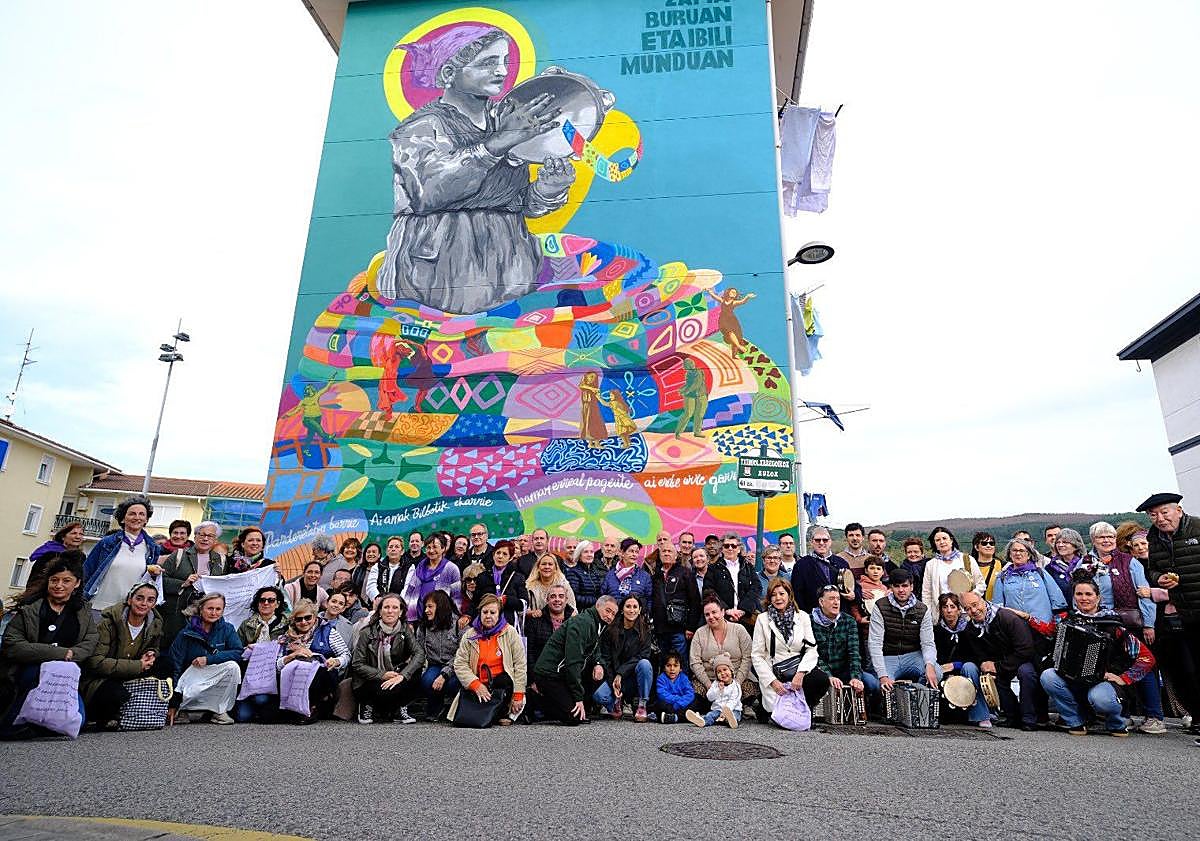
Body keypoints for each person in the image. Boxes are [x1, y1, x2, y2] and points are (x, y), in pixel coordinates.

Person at [1037, 578, 1155, 736]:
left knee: (1100, 698)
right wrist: (1027, 617)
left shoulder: (1113, 625)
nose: (1083, 598)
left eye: (1088, 594)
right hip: (1072, 678)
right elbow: (1047, 631)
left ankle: (1116, 722)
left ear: (1098, 597)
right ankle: (1075, 720)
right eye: (1079, 594)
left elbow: (1147, 658)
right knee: (1048, 676)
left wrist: (1125, 678)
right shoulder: (1066, 619)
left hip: (1103, 681)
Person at [0, 556, 98, 738]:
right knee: (36, 675)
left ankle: (39, 723)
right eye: (54, 580)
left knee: (79, 719)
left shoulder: (82, 611)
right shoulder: (30, 609)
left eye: (66, 581)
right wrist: (61, 654)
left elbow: (91, 640)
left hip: (66, 675)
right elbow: (12, 645)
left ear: (76, 584)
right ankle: (11, 723)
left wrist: (73, 655)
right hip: (30, 668)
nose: (59, 585)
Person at [1137, 491, 1200, 737]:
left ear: (1179, 511)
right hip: (1181, 612)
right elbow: (1152, 570)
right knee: (1187, 667)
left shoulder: (1196, 528)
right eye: (1154, 515)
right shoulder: (1154, 537)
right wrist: (1158, 579)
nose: (1160, 519)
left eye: (1164, 512)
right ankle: (1197, 716)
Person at [82, 581, 163, 728]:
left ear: (154, 604)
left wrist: (151, 654)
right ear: (129, 599)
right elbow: (96, 663)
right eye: (139, 598)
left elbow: (154, 647)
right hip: (100, 678)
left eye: (150, 600)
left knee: (164, 668)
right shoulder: (107, 623)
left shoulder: (155, 623)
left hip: (130, 673)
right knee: (115, 693)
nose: (144, 603)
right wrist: (138, 665)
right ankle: (99, 716)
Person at [960, 591, 1045, 731]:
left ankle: (1029, 718)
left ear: (983, 601)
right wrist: (984, 663)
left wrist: (998, 666)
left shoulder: (1007, 618)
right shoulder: (970, 628)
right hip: (1002, 660)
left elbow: (1026, 649)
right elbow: (978, 653)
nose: (973, 610)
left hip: (1025, 658)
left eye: (975, 605)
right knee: (997, 679)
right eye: (968, 608)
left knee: (1026, 672)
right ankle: (1013, 716)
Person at [530, 595, 618, 725]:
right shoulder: (583, 623)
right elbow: (573, 662)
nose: (610, 616)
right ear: (598, 606)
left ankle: (571, 705)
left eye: (613, 614)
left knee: (598, 674)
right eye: (608, 610)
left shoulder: (597, 623)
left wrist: (598, 663)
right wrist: (578, 698)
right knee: (573, 718)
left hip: (562, 673)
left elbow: (595, 649)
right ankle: (533, 699)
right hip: (549, 674)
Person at [751, 578, 829, 718]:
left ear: (789, 595)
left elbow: (811, 649)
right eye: (773, 595)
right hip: (775, 670)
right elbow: (757, 655)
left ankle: (807, 707)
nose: (778, 598)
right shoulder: (762, 619)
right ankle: (764, 707)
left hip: (798, 666)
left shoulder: (803, 616)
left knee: (820, 680)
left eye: (781, 593)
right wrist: (773, 682)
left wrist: (800, 674)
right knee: (780, 716)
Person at [166, 593, 244, 725]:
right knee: (190, 690)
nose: (214, 613)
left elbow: (237, 652)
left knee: (233, 667)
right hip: (192, 675)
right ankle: (183, 708)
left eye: (218, 609)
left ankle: (219, 711)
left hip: (215, 671)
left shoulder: (227, 629)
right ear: (201, 609)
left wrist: (209, 659)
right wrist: (173, 700)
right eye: (210, 608)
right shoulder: (185, 633)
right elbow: (175, 663)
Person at [449, 594, 527, 726]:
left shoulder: (510, 632)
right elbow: (460, 663)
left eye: (493, 612)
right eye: (485, 612)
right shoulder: (470, 634)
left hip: (501, 685)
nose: (488, 616)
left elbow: (520, 665)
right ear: (479, 613)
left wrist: (518, 694)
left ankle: (503, 711)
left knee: (504, 680)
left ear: (499, 614)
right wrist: (475, 684)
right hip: (477, 682)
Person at [83, 495, 163, 619]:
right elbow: (86, 572)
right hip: (99, 607)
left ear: (146, 519)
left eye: (142, 514)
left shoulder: (152, 548)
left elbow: (146, 581)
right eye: (132, 514)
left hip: (130, 611)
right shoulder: (106, 543)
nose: (137, 517)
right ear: (123, 519)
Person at [350, 593, 422, 724]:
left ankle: (399, 708)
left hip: (394, 675)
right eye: (386, 607)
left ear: (400, 612)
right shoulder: (367, 632)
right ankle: (367, 705)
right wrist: (382, 674)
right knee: (384, 691)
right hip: (370, 679)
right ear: (380, 611)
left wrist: (402, 676)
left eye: (395, 608)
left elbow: (419, 654)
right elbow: (357, 664)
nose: (390, 611)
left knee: (416, 672)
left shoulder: (405, 629)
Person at [275, 599, 350, 723]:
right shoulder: (285, 637)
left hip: (321, 677)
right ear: (293, 620)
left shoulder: (328, 632)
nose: (304, 622)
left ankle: (312, 707)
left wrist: (336, 661)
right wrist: (292, 656)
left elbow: (346, 655)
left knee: (317, 672)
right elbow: (276, 666)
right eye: (299, 619)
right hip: (293, 679)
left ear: (315, 617)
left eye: (307, 618)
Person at [160, 521, 229, 649]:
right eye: (201, 534)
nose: (205, 538)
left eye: (210, 536)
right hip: (178, 615)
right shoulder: (179, 555)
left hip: (207, 617)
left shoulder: (221, 560)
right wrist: (183, 583)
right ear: (195, 536)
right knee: (173, 649)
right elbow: (161, 580)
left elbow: (226, 584)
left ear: (215, 540)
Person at [868, 569, 940, 691]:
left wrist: (929, 665)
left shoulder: (922, 609)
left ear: (911, 587)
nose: (901, 590)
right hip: (888, 656)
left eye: (905, 586)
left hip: (913, 655)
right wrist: (883, 675)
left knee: (936, 673)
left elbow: (927, 643)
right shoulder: (880, 606)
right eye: (897, 586)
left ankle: (918, 698)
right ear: (891, 587)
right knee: (884, 687)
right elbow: (875, 643)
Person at [810, 584, 876, 712]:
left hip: (844, 670)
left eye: (838, 599)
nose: (836, 602)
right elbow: (812, 654)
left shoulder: (849, 621)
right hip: (819, 670)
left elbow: (854, 652)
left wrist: (855, 677)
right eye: (831, 599)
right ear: (821, 602)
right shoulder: (809, 620)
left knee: (872, 683)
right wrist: (828, 676)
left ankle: (868, 710)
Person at [932, 593, 991, 727]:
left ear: (959, 609)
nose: (949, 610)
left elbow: (976, 655)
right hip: (943, 670)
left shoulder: (969, 629)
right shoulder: (936, 631)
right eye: (945, 607)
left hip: (963, 669)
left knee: (970, 667)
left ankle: (980, 715)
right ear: (941, 610)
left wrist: (955, 665)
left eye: (952, 606)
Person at [594, 595, 655, 722]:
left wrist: (621, 673)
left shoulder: (645, 631)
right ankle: (616, 704)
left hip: (633, 678)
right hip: (615, 677)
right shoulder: (610, 630)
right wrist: (613, 681)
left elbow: (642, 656)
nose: (631, 610)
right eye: (628, 606)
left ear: (639, 610)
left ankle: (642, 704)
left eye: (635, 607)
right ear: (622, 609)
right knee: (599, 695)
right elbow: (606, 659)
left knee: (645, 664)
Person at [689, 596, 756, 709]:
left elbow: (748, 657)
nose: (711, 617)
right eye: (707, 614)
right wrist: (709, 685)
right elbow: (695, 662)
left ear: (723, 612)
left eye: (714, 612)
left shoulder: (739, 629)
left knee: (751, 691)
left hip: (737, 679)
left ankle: (737, 707)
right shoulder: (700, 633)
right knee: (695, 698)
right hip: (709, 680)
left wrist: (736, 684)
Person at [992, 538, 1067, 624]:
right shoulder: (1002, 577)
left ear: (1028, 555)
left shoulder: (1040, 573)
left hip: (1042, 626)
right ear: (1009, 554)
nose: (1018, 553)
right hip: (1016, 627)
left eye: (1022, 551)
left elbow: (1058, 600)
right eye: (1014, 550)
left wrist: (1056, 624)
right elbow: (998, 607)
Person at [415, 590, 463, 722]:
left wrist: (444, 674)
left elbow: (462, 654)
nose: (426, 610)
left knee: (453, 683)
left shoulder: (458, 624)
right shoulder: (423, 626)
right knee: (427, 681)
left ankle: (455, 709)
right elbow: (419, 651)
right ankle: (435, 707)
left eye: (430, 606)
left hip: (457, 666)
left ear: (440, 606)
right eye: (425, 606)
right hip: (435, 664)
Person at [790, 526, 854, 614]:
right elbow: (797, 595)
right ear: (812, 542)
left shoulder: (841, 563)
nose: (821, 543)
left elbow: (853, 586)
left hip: (841, 616)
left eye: (825, 540)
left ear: (830, 542)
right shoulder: (801, 565)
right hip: (814, 618)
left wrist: (853, 594)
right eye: (817, 540)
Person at [399, 534, 462, 624]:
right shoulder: (421, 566)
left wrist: (456, 619)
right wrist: (408, 619)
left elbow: (456, 598)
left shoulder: (451, 568)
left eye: (435, 547)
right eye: (428, 547)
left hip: (441, 620)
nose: (431, 550)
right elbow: (410, 590)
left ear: (443, 548)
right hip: (418, 619)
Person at [652, 542, 700, 657]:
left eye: (670, 551)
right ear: (659, 555)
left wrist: (691, 627)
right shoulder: (655, 576)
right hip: (660, 629)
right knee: (663, 662)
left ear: (676, 555)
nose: (667, 554)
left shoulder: (685, 573)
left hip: (679, 629)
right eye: (664, 551)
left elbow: (695, 601)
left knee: (681, 662)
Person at [921, 527, 985, 605]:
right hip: (941, 612)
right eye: (937, 540)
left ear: (951, 540)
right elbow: (926, 593)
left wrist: (970, 597)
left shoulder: (967, 559)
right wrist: (928, 614)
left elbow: (981, 584)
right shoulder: (931, 565)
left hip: (966, 611)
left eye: (944, 538)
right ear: (934, 543)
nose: (942, 542)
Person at [526, 584, 575, 677]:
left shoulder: (574, 622)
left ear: (566, 599)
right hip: (542, 675)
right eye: (553, 596)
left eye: (561, 596)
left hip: (567, 676)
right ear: (547, 600)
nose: (557, 599)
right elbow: (529, 653)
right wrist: (534, 679)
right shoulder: (535, 622)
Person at [476, 539, 528, 624]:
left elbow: (524, 604)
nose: (500, 556)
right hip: (486, 623)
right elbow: (475, 602)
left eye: (505, 554)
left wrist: (507, 600)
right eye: (498, 553)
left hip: (508, 624)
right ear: (493, 555)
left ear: (510, 558)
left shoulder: (517, 578)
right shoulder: (482, 577)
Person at [718, 533, 761, 632]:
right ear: (722, 549)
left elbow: (756, 587)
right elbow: (709, 591)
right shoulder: (713, 568)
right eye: (726, 546)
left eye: (733, 546)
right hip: (723, 618)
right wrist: (727, 610)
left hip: (746, 618)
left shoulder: (747, 566)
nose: (730, 548)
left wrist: (743, 610)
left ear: (738, 549)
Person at [685, 655, 741, 728]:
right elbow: (710, 697)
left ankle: (732, 721)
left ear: (731, 670)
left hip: (732, 709)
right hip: (717, 710)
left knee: (735, 715)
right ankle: (702, 721)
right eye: (719, 672)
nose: (722, 673)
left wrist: (725, 712)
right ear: (716, 675)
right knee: (710, 715)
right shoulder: (715, 684)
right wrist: (718, 690)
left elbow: (734, 700)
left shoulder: (735, 685)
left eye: (725, 669)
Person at [602, 538, 654, 612]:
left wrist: (644, 615)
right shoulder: (610, 575)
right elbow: (603, 597)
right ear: (622, 553)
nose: (634, 554)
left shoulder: (644, 576)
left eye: (636, 552)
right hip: (614, 618)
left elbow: (649, 599)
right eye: (631, 551)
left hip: (635, 618)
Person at [1043, 528, 1087, 604]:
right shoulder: (1050, 568)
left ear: (1076, 545)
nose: (1060, 545)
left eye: (1065, 542)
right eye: (1058, 542)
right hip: (1062, 612)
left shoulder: (1086, 564)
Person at [526, 553, 577, 618]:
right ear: (538, 568)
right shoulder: (529, 586)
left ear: (555, 568)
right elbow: (523, 611)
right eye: (544, 564)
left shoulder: (564, 584)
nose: (547, 567)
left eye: (550, 564)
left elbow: (573, 609)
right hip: (537, 623)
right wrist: (532, 613)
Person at [651, 651, 695, 723]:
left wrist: (680, 703)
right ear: (664, 668)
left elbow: (690, 693)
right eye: (668, 665)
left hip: (681, 705)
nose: (672, 669)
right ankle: (678, 717)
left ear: (680, 668)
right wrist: (677, 700)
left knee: (695, 700)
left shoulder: (684, 678)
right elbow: (662, 695)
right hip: (670, 705)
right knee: (659, 704)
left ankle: (674, 717)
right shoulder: (661, 678)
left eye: (675, 665)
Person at [690, 546, 734, 614]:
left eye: (701, 556)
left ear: (708, 559)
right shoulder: (689, 578)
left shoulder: (720, 574)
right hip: (697, 617)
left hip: (721, 614)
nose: (698, 559)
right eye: (695, 557)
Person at [563, 541, 605, 610]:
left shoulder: (594, 573)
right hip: (581, 612)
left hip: (594, 611)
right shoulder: (573, 573)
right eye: (585, 552)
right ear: (579, 555)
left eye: (591, 552)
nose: (589, 554)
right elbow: (574, 597)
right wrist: (596, 600)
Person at [370, 536, 409, 603]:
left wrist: (397, 603)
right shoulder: (377, 566)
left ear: (402, 551)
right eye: (390, 547)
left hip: (399, 605)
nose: (393, 549)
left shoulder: (409, 567)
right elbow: (371, 587)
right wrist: (380, 600)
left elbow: (407, 588)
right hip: (379, 604)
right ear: (387, 551)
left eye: (397, 547)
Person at [970, 532, 1003, 600]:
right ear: (976, 547)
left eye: (992, 543)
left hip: (996, 607)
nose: (989, 546)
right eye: (984, 543)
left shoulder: (1003, 565)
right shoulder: (969, 566)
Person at [351, 542, 382, 606]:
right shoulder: (359, 569)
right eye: (368, 552)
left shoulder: (383, 569)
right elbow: (352, 586)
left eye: (374, 552)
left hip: (376, 604)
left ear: (379, 555)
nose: (371, 554)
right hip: (357, 605)